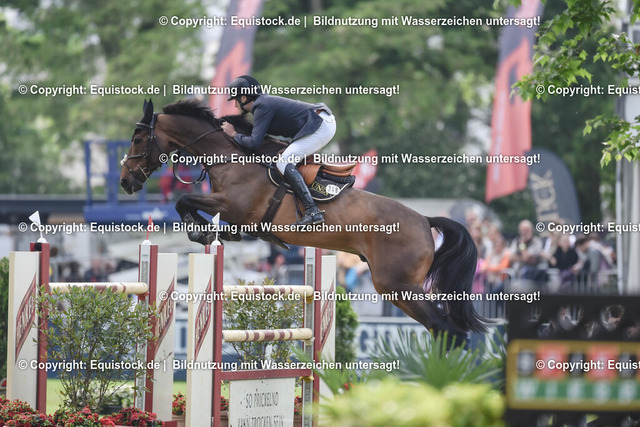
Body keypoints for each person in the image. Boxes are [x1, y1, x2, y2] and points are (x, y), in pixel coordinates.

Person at [221, 75, 337, 226]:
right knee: (289, 160)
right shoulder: (262, 103)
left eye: (235, 100)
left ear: (243, 98)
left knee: (284, 162)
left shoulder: (261, 106)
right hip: (320, 123)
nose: (235, 105)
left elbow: (254, 143)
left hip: (320, 126)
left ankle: (312, 211)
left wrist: (233, 134)